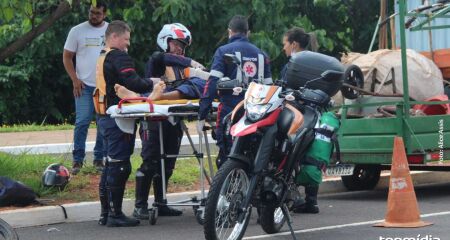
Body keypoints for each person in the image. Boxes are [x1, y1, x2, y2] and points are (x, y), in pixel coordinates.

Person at [130, 23, 207, 219]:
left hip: (174, 118)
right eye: (176, 44)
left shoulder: (184, 68)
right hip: (154, 119)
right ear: (165, 41)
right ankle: (140, 206)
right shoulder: (159, 61)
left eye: (183, 46)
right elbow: (159, 57)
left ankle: (160, 202)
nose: (180, 48)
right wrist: (191, 62)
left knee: (169, 162)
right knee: (150, 160)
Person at [96, 20, 164, 227]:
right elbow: (133, 81)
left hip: (103, 115)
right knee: (120, 165)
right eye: (126, 39)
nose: (128, 44)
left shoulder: (102, 56)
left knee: (110, 164)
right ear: (114, 37)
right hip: (118, 117)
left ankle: (106, 213)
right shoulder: (119, 56)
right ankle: (115, 215)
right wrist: (151, 82)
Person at [198, 15, 272, 168]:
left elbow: (212, 84)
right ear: (248, 33)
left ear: (229, 32)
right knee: (251, 156)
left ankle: (226, 190)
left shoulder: (223, 51)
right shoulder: (262, 55)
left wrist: (202, 113)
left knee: (227, 158)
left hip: (230, 113)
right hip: (256, 117)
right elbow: (269, 88)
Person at [63, 1, 108, 174]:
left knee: (102, 123)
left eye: (97, 13)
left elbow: (119, 56)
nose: (93, 16)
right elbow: (67, 57)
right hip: (83, 85)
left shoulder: (111, 31)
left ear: (105, 14)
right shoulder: (77, 31)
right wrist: (75, 79)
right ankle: (77, 160)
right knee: (82, 122)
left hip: (104, 87)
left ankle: (99, 159)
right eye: (91, 12)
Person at [282, 27, 320, 214]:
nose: (284, 48)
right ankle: (311, 200)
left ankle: (291, 196)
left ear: (294, 44)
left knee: (287, 155)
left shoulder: (294, 64)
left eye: (285, 44)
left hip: (295, 116)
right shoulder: (317, 62)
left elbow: (282, 88)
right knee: (310, 157)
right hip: (315, 116)